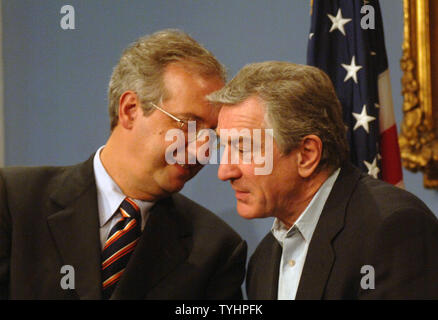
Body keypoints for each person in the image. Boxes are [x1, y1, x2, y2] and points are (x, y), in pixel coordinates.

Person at [0, 29, 247, 299]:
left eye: (212, 136)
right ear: (130, 109)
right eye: (187, 125)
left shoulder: (215, 249)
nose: (202, 151)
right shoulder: (14, 200)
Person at [208, 61, 438, 299]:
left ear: (307, 155)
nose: (224, 171)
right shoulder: (263, 261)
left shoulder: (393, 231)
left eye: (243, 149)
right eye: (224, 148)